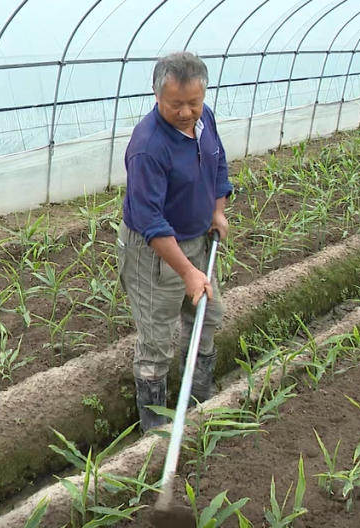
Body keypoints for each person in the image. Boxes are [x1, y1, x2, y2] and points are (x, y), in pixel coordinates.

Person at [116, 51, 233, 434]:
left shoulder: (205, 119)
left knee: (207, 318)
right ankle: (155, 432)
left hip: (198, 238)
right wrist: (187, 271)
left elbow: (218, 164)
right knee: (157, 341)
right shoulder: (148, 146)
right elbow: (150, 221)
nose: (186, 112)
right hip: (156, 254)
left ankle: (200, 400)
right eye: (176, 104)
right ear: (156, 96)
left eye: (193, 103)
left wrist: (218, 211)